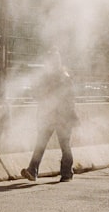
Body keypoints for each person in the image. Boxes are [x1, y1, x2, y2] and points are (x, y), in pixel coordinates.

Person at [21, 50, 77, 182]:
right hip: (50, 116)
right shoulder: (49, 77)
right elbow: (39, 95)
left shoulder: (63, 77)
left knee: (64, 145)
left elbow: (68, 98)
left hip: (61, 116)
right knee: (42, 143)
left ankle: (67, 173)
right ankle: (32, 170)